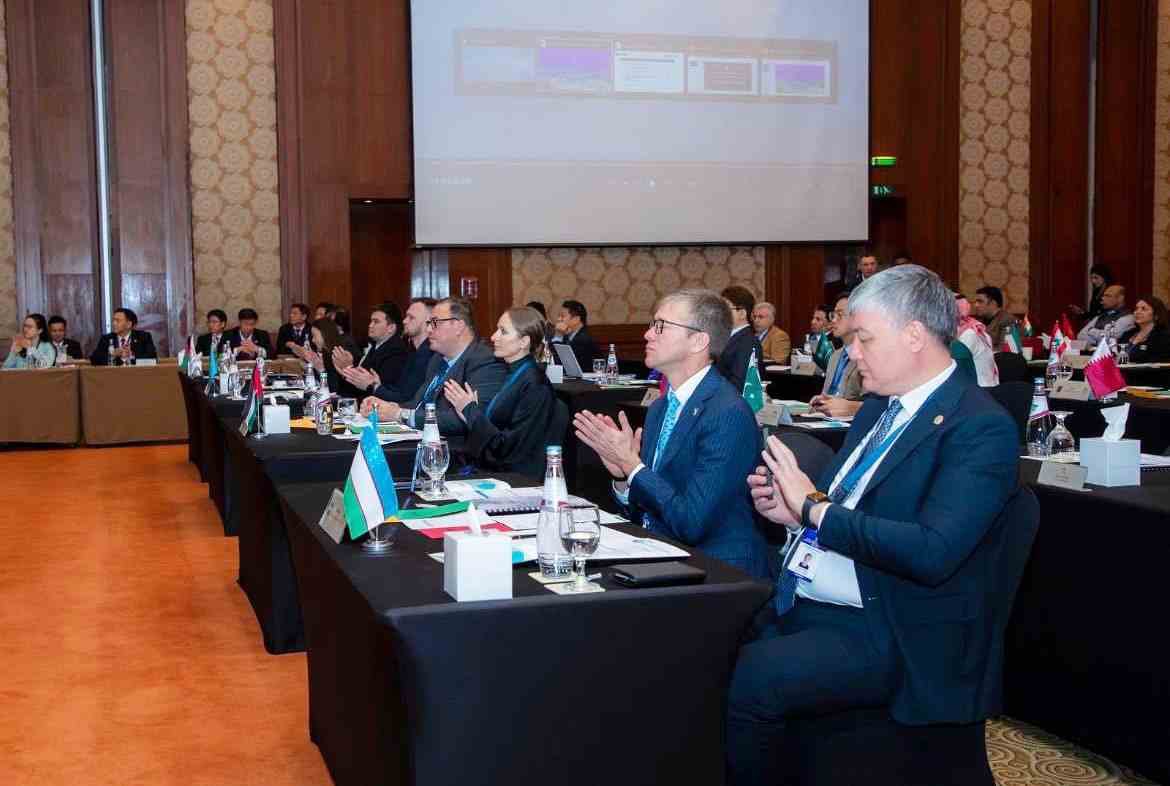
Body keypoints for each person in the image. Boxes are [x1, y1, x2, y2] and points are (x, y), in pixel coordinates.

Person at [727, 265, 1019, 785]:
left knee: (751, 679)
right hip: (827, 594)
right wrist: (793, 517)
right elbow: (843, 512)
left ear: (914, 335)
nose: (853, 353)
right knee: (705, 638)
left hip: (897, 623)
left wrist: (813, 509)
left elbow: (932, 551)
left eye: (864, 338)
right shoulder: (877, 410)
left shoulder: (979, 427)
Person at [573, 289, 769, 578]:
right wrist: (624, 478)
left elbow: (691, 523)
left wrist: (633, 466)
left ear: (698, 341)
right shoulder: (661, 407)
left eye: (660, 326)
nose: (647, 335)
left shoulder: (727, 413)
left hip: (718, 572)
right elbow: (648, 511)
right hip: (663, 555)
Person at [360, 297, 506, 437]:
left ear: (458, 326)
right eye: (429, 323)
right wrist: (387, 407)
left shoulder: (485, 362)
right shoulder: (437, 359)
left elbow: (467, 419)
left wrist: (399, 414)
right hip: (422, 439)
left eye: (435, 322)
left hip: (455, 449)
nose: (429, 329)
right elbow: (418, 405)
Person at [441, 307, 559, 477]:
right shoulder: (516, 374)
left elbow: (507, 450)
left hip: (514, 479)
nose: (493, 337)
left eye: (503, 331)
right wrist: (470, 414)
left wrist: (470, 411)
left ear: (523, 342)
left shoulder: (535, 384)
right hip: (494, 470)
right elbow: (496, 429)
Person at [343, 297, 436, 403]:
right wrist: (376, 384)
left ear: (428, 322)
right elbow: (399, 390)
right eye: (406, 316)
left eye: (411, 317)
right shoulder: (413, 351)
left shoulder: (428, 354)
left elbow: (406, 399)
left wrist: (373, 386)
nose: (404, 321)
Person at [333, 302, 408, 401]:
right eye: (371, 321)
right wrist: (346, 371)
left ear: (391, 328)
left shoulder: (396, 351)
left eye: (376, 322)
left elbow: (378, 389)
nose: (370, 325)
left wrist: (349, 369)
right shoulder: (376, 346)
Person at [810, 293, 863, 418]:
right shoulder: (835, 356)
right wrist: (822, 401)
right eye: (833, 315)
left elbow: (875, 405)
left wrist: (847, 407)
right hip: (826, 419)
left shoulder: (868, 357)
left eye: (840, 315)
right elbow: (827, 394)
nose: (833, 320)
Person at [718, 286, 766, 392]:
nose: (720, 313)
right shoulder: (726, 337)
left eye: (725, 308)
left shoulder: (748, 342)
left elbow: (741, 384)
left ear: (742, 313)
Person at [303, 317, 356, 392]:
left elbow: (333, 388)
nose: (313, 340)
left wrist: (321, 370)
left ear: (325, 334)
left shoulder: (339, 354)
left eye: (314, 336)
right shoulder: (325, 353)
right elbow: (318, 383)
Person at [956, 294, 998, 387]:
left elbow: (953, 369)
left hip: (981, 390)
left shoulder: (968, 334)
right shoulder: (973, 327)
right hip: (978, 388)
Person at [91, 308, 157, 366]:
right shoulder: (106, 339)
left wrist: (132, 356)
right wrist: (112, 354)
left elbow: (152, 359)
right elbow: (94, 360)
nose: (114, 323)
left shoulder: (144, 337)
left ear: (129, 324)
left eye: (118, 321)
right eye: (113, 320)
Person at [1119, 296, 1170, 363]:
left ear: (1156, 315)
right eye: (1136, 308)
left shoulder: (1163, 336)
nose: (1137, 312)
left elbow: (1160, 362)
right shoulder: (1127, 334)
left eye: (1144, 309)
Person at [551, 299, 599, 367]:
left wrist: (558, 335)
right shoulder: (567, 336)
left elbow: (560, 362)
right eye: (559, 316)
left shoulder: (583, 340)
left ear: (576, 319)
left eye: (562, 316)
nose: (558, 319)